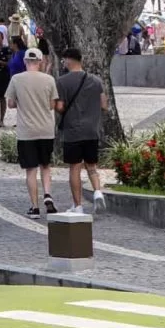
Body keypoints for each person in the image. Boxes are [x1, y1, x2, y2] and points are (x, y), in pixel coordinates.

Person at [53, 46, 108, 211]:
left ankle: (78, 206)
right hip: (92, 130)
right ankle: (98, 191)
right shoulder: (96, 80)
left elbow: (61, 107)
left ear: (68, 60)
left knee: (75, 168)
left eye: (63, 60)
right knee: (92, 166)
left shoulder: (62, 81)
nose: (63, 63)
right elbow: (104, 105)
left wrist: (55, 106)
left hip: (73, 131)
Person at [10, 47, 61, 216]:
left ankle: (34, 206)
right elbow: (52, 105)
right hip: (46, 129)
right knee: (45, 166)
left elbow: (10, 104)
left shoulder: (16, 79)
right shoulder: (49, 80)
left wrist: (23, 103)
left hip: (26, 131)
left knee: (31, 170)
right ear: (40, 62)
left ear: (25, 61)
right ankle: (48, 194)